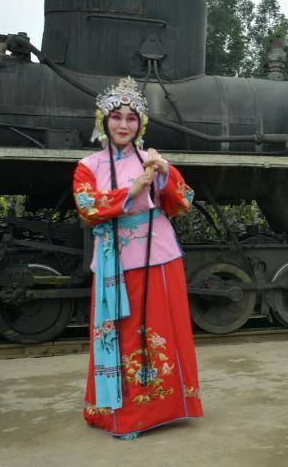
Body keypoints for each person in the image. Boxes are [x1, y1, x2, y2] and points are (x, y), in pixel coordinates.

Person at [73, 76, 203, 439]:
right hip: (116, 262)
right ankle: (124, 415)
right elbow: (86, 207)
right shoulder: (88, 166)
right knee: (123, 336)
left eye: (131, 118)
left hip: (160, 258)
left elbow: (184, 200)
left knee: (161, 332)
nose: (124, 125)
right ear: (104, 120)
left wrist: (166, 175)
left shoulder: (152, 159)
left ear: (140, 124)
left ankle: (166, 408)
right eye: (117, 117)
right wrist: (130, 190)